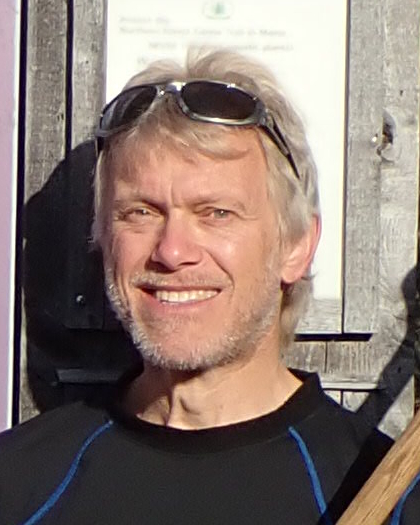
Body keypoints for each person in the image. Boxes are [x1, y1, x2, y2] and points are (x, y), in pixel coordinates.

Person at [0, 48, 409, 525]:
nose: (172, 252)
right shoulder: (20, 483)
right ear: (103, 238)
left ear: (296, 246)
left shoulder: (385, 496)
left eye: (216, 213)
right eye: (141, 212)